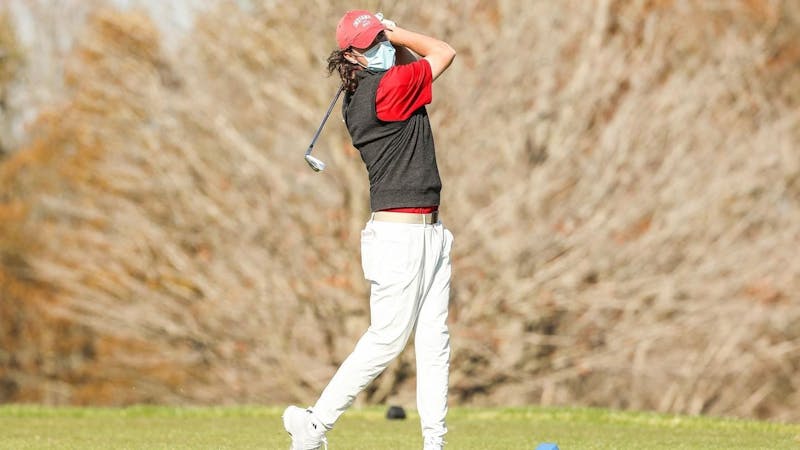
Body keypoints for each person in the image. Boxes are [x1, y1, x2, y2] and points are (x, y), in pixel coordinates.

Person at [282, 9, 457, 450]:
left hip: (428, 231)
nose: (379, 45)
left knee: (434, 341)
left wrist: (389, 39)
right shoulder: (389, 89)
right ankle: (315, 424)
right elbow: (443, 51)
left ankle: (434, 443)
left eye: (379, 37)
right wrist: (398, 32)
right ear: (352, 56)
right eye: (370, 42)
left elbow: (401, 63)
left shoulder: (366, 90)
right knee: (387, 340)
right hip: (402, 238)